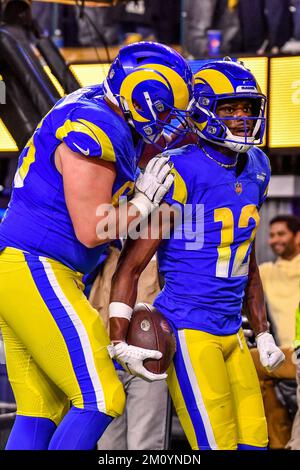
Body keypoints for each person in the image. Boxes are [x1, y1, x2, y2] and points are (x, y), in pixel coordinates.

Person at [0, 41, 193, 450]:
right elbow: (91, 230)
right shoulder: (96, 127)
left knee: (42, 407)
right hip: (36, 265)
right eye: (166, 111)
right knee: (102, 396)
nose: (171, 124)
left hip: (25, 268)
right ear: (141, 97)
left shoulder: (103, 107)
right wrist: (142, 202)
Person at [107, 58, 285, 450]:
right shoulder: (179, 170)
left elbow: (246, 256)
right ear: (203, 109)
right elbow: (132, 264)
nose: (242, 117)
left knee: (257, 442)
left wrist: (264, 331)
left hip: (233, 332)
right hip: (189, 330)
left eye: (248, 108)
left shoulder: (258, 165)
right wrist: (118, 338)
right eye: (229, 108)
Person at [87, 243, 169, 450]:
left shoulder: (165, 248)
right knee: (108, 448)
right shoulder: (104, 245)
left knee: (145, 445)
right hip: (105, 362)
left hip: (149, 362)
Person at [255, 214, 300, 448]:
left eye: (281, 234)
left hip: (297, 353)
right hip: (283, 354)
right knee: (248, 361)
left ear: (298, 237)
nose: (274, 240)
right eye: (271, 235)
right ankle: (277, 441)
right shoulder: (266, 272)